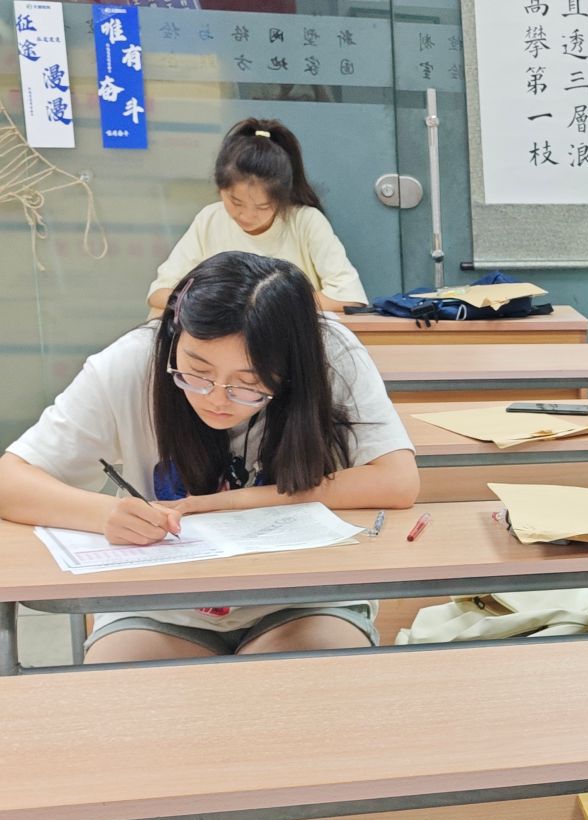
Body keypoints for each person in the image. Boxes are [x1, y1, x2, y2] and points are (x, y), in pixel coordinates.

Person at [0, 252, 419, 664]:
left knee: (309, 686)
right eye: (197, 372)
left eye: (248, 383)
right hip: (160, 603)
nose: (217, 398)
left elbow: (396, 481)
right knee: (124, 693)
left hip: (303, 597)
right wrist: (106, 514)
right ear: (174, 335)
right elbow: (10, 480)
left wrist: (232, 501)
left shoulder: (329, 353)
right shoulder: (129, 363)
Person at [147, 120, 367, 314]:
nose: (246, 215)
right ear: (220, 188)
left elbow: (349, 296)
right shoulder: (210, 219)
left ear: (282, 197)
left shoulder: (305, 221)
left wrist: (260, 304)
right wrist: (215, 306)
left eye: (263, 207)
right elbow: (160, 292)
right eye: (235, 202)